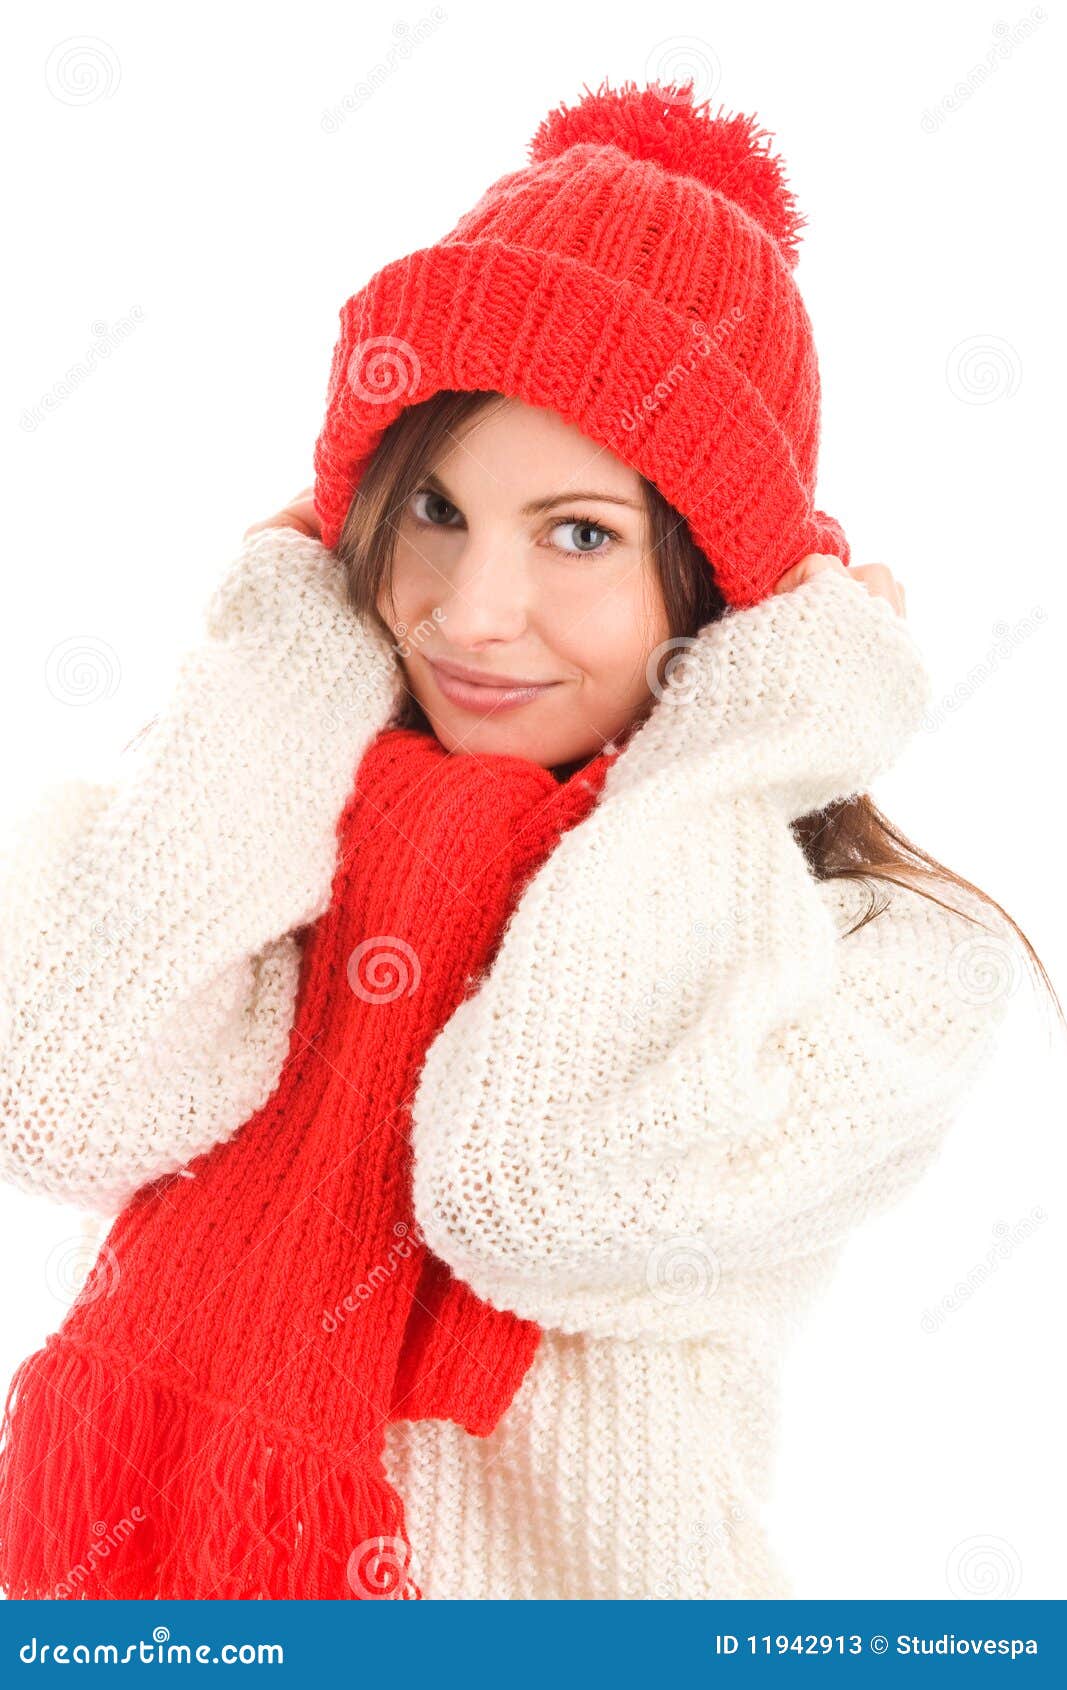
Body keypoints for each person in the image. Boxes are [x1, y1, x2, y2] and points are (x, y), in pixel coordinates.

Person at [0, 77, 1058, 1602]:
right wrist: (287, 653)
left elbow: (534, 1197)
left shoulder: (881, 963)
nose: (471, 610)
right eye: (428, 508)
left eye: (579, 533)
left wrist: (744, 739)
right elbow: (52, 1100)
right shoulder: (268, 830)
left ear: (725, 589)